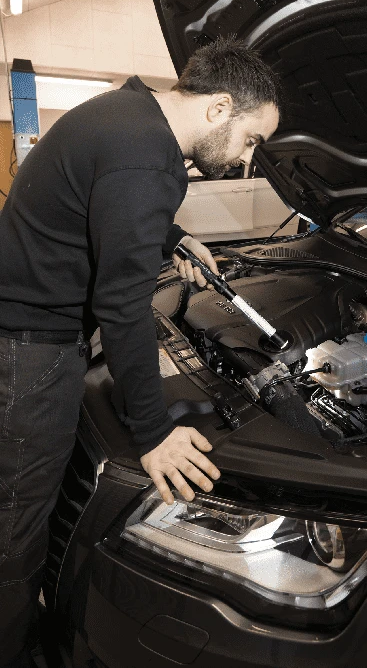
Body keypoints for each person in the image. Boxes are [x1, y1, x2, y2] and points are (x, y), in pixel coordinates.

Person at [0, 37, 281, 667]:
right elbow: (123, 304)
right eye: (251, 139)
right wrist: (153, 432)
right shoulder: (147, 160)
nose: (245, 158)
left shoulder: (126, 115)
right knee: (14, 527)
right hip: (30, 352)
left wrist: (173, 236)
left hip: (21, 333)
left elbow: (106, 200)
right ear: (220, 108)